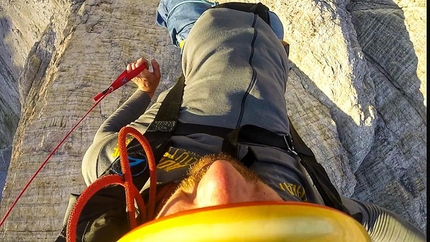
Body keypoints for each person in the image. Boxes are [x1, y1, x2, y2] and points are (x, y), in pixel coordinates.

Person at [78, 0, 425, 241]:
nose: (221, 179)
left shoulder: (122, 170)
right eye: (259, 219)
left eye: (186, 227)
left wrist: (146, 93)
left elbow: (110, 131)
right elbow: (379, 225)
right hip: (271, 35)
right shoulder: (311, 203)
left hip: (199, 28)